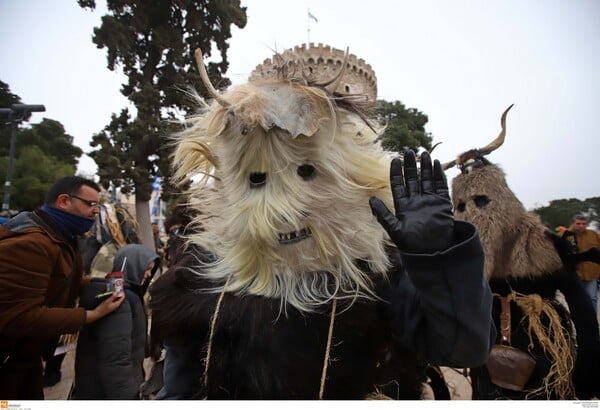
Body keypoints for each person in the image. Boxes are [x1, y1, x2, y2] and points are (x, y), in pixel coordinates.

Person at [149, 44, 494, 399]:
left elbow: (463, 348)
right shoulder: (201, 279)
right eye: (258, 180)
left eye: (307, 172)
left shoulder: (379, 276)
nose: (286, 211)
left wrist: (437, 260)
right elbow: (179, 387)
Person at [446, 105, 600, 399]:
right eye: (462, 207)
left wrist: (590, 357)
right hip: (489, 348)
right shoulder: (466, 250)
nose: (472, 215)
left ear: (501, 199)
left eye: (481, 201)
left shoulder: (538, 239)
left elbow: (578, 300)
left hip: (542, 342)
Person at [0, 176, 125, 399]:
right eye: (90, 204)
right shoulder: (31, 244)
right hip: (8, 362)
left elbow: (64, 282)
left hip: (26, 360)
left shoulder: (62, 238)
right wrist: (90, 315)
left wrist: (101, 284)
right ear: (64, 201)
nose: (96, 212)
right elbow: (19, 316)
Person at [72, 243, 160, 399]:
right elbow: (115, 359)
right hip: (105, 392)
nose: (148, 275)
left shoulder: (129, 296)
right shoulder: (119, 300)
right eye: (146, 269)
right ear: (133, 266)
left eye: (151, 270)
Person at [567, 214, 600, 313]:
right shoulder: (564, 235)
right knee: (575, 299)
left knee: (592, 298)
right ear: (573, 223)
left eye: (583, 224)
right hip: (573, 273)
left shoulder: (593, 235)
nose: (581, 226)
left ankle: (592, 320)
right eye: (578, 224)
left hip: (591, 273)